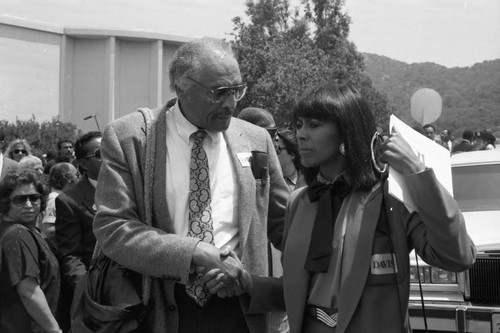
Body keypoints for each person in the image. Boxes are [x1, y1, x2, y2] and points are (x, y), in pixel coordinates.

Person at [206, 82, 476, 333]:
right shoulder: (298, 202)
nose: (301, 134)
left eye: (314, 124)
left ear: (348, 131)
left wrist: (418, 172)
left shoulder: (391, 200)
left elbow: (457, 256)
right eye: (299, 125)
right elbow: (298, 292)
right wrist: (249, 283)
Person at [93, 37, 289, 333]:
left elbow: (285, 225)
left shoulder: (256, 139)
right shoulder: (131, 139)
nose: (232, 104)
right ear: (182, 87)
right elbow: (114, 227)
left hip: (241, 312)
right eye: (220, 93)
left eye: (237, 90)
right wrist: (195, 252)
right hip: (161, 311)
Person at [237, 107, 291, 333]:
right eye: (268, 133)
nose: (273, 141)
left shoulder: (296, 189)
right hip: (244, 293)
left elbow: (286, 228)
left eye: (274, 134)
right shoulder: (237, 171)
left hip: (278, 293)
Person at [0, 170, 62, 333]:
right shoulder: (17, 235)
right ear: (6, 202)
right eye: (20, 200)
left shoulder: (25, 230)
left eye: (34, 198)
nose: (28, 205)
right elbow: (28, 290)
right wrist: (54, 330)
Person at [55, 132, 101, 293]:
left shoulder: (131, 188)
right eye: (100, 154)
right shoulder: (69, 201)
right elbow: (71, 256)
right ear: (83, 163)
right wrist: (86, 290)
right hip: (100, 290)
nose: (109, 157)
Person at [41, 162, 79, 247]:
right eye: (76, 174)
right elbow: (49, 230)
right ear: (68, 178)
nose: (78, 178)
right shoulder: (54, 199)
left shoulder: (64, 197)